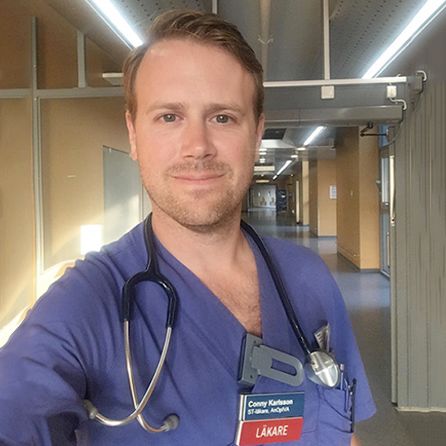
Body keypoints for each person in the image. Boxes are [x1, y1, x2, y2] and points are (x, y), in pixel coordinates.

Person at [0, 9, 375, 446]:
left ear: (257, 134)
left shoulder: (308, 280)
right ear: (133, 135)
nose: (197, 146)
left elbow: (344, 433)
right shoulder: (85, 304)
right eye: (169, 117)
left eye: (222, 117)